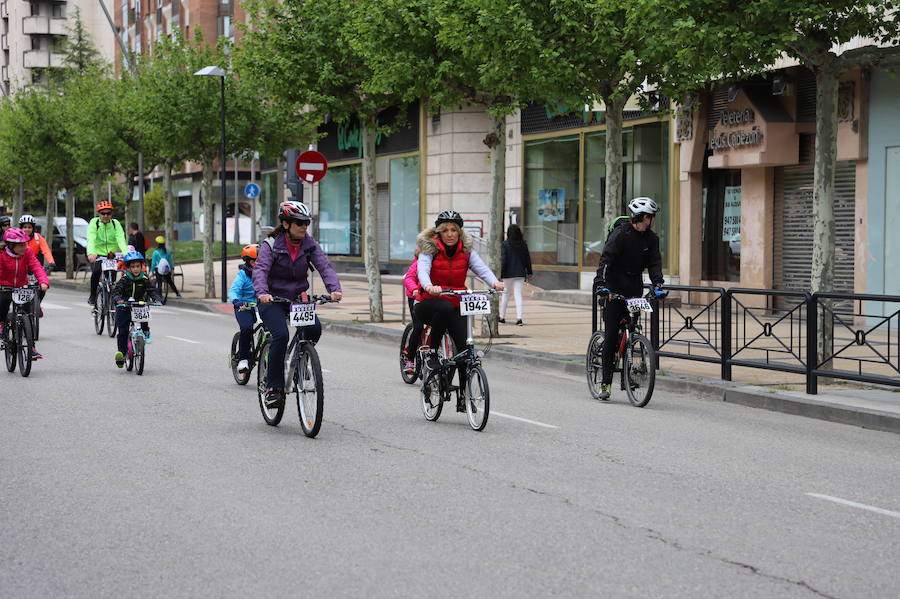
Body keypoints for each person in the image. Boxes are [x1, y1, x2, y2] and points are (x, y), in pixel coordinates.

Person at [252, 201, 342, 409]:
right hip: (272, 300)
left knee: (314, 328)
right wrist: (263, 293)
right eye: (299, 223)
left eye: (306, 223)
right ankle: (273, 389)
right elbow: (261, 271)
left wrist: (334, 288)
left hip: (296, 300)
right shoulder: (271, 245)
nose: (304, 227)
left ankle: (300, 360)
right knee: (281, 336)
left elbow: (324, 266)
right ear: (285, 224)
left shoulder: (309, 245)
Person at [416, 210, 504, 400]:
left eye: (454, 230)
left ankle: (464, 396)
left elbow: (481, 269)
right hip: (428, 303)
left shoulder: (466, 250)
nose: (450, 234)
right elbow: (423, 270)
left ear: (459, 232)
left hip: (456, 303)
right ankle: (431, 352)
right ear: (438, 232)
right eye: (445, 230)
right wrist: (429, 286)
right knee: (444, 307)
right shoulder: (429, 248)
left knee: (466, 351)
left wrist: (495, 283)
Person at [592, 197, 667, 400]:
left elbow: (654, 263)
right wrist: (601, 285)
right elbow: (606, 260)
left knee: (631, 330)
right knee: (610, 337)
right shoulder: (620, 234)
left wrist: (658, 284)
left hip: (634, 288)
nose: (652, 220)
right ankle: (605, 383)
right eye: (650, 217)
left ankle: (627, 375)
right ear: (641, 217)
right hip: (613, 287)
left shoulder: (651, 239)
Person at [0, 228, 50, 359]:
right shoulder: (2, 254)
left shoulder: (27, 251)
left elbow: (36, 266)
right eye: (21, 245)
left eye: (25, 244)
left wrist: (43, 281)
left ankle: (31, 347)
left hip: (22, 285)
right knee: (3, 301)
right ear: (10, 245)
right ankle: (1, 325)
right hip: (4, 285)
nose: (24, 247)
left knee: (27, 315)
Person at [111, 250, 162, 368]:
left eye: (138, 266)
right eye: (133, 267)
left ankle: (145, 331)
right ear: (128, 268)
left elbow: (151, 291)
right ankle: (122, 354)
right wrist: (118, 299)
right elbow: (116, 291)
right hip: (124, 307)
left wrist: (157, 299)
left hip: (139, 306)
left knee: (144, 317)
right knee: (123, 331)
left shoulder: (144, 279)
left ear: (141, 267)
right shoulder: (124, 280)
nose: (135, 269)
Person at [86, 201, 128, 305]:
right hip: (98, 254)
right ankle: (93, 295)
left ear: (111, 214)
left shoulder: (115, 223)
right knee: (96, 272)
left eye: (108, 213)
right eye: (103, 213)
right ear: (99, 214)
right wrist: (91, 253)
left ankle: (111, 301)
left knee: (112, 279)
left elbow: (121, 239)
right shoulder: (94, 223)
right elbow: (91, 238)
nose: (105, 216)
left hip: (111, 255)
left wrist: (126, 253)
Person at [230, 244, 259, 375]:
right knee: (247, 328)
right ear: (247, 262)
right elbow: (234, 290)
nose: (257, 264)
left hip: (261, 306)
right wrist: (236, 301)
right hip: (243, 306)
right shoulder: (242, 275)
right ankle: (243, 359)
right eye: (254, 261)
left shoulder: (266, 274)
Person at [499, 223, 532, 326]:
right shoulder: (524, 244)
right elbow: (527, 259)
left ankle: (502, 317)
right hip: (520, 273)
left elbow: (504, 260)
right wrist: (529, 272)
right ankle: (519, 318)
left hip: (507, 273)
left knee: (505, 294)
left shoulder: (505, 244)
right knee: (518, 295)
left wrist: (501, 273)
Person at [401, 248, 423, 375]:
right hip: (415, 297)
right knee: (419, 326)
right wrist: (415, 289)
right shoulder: (417, 264)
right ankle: (410, 359)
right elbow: (408, 279)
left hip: (430, 297)